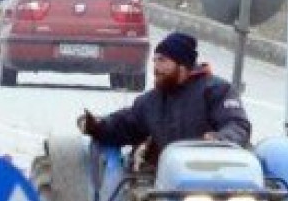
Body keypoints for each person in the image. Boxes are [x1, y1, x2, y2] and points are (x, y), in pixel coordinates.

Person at [76, 32, 251, 167]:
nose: (156, 68)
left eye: (163, 61)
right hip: (168, 183)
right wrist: (97, 126)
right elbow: (126, 124)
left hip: (214, 178)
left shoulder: (216, 90)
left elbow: (237, 125)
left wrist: (220, 140)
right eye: (154, 61)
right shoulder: (150, 101)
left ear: (182, 65)